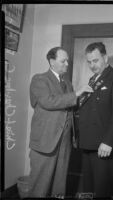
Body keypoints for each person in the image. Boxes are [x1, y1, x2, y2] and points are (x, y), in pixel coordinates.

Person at [27, 47, 92, 198]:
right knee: (39, 186)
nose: (67, 64)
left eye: (67, 60)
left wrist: (85, 99)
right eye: (63, 61)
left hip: (64, 141)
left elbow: (70, 106)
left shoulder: (67, 83)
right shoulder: (39, 79)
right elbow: (48, 102)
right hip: (45, 141)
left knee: (59, 185)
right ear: (52, 61)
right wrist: (76, 93)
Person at [77, 42, 113, 198]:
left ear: (105, 58)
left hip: (103, 145)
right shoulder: (93, 79)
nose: (92, 65)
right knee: (88, 189)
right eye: (89, 61)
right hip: (88, 144)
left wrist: (109, 141)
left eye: (95, 60)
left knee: (102, 190)